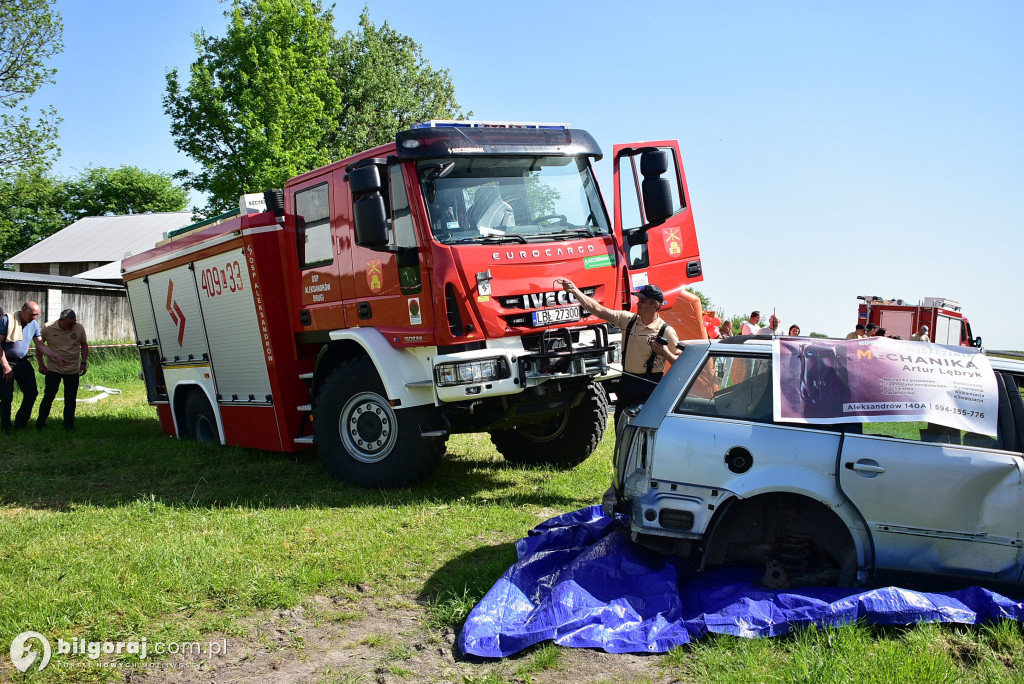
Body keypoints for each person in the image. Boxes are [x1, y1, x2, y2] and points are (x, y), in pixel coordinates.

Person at [558, 279, 680, 427]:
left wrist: (666, 353)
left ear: (655, 305)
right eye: (639, 299)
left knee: (644, 429)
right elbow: (598, 310)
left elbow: (681, 364)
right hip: (627, 383)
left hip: (651, 387)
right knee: (621, 427)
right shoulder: (627, 320)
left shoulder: (666, 332)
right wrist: (575, 291)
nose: (638, 303)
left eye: (643, 300)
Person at [1, 301, 67, 433]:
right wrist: (6, 367)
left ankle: (20, 424)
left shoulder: (34, 324)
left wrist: (56, 356)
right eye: (32, 314)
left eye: (37, 315)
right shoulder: (7, 320)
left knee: (32, 393)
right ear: (24, 310)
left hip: (22, 362)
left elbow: (40, 345)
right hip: (5, 361)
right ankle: (5, 427)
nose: (35, 318)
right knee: (7, 396)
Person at [36, 309, 89, 431]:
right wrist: (41, 364)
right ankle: (41, 422)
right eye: (70, 324)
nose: (72, 326)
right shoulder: (48, 327)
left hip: (73, 369)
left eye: (74, 323)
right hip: (53, 368)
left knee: (70, 398)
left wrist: (83, 363)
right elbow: (40, 346)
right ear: (61, 320)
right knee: (49, 396)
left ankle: (68, 424)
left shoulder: (79, 328)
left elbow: (84, 345)